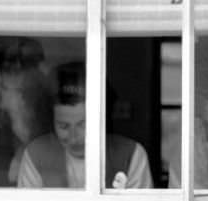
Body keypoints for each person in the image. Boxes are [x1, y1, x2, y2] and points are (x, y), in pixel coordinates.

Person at [17, 62, 153, 189]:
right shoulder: (35, 155)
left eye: (83, 124)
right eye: (63, 126)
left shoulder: (131, 155)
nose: (74, 137)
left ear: (102, 119)